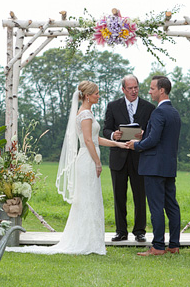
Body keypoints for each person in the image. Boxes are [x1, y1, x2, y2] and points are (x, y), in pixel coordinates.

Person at [8, 81, 128, 255]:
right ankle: (84, 241)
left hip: (89, 157)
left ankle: (91, 240)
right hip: (87, 160)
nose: (98, 96)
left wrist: (118, 144)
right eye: (96, 93)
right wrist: (97, 162)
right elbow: (87, 141)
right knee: (87, 200)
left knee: (91, 199)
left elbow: (96, 139)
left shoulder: (87, 113)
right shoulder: (85, 114)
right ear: (87, 96)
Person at [126, 76, 182, 256]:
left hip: (154, 167)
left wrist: (136, 145)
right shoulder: (174, 112)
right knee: (172, 206)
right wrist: (146, 134)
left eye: (152, 88)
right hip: (168, 166)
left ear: (162, 90)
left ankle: (158, 246)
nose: (149, 91)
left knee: (156, 206)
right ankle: (174, 244)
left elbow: (154, 140)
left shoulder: (158, 113)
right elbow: (162, 138)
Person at [103, 74, 155, 242]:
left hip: (140, 158)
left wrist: (144, 135)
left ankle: (140, 231)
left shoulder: (149, 107)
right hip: (118, 157)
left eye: (136, 88)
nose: (134, 91)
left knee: (140, 195)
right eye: (130, 88)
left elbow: (153, 132)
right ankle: (121, 231)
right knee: (119, 196)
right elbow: (105, 130)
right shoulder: (113, 106)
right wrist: (113, 135)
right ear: (123, 89)